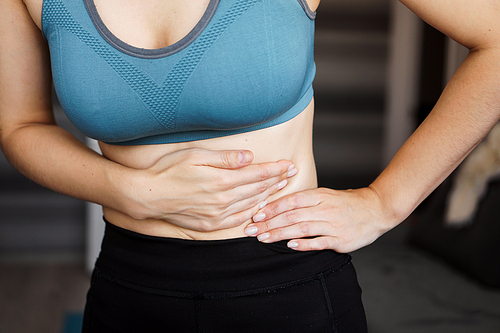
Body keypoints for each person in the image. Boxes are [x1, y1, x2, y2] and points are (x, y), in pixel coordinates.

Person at [0, 0, 498, 331]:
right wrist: (133, 191)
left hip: (289, 284)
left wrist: (385, 203)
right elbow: (20, 128)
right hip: (128, 287)